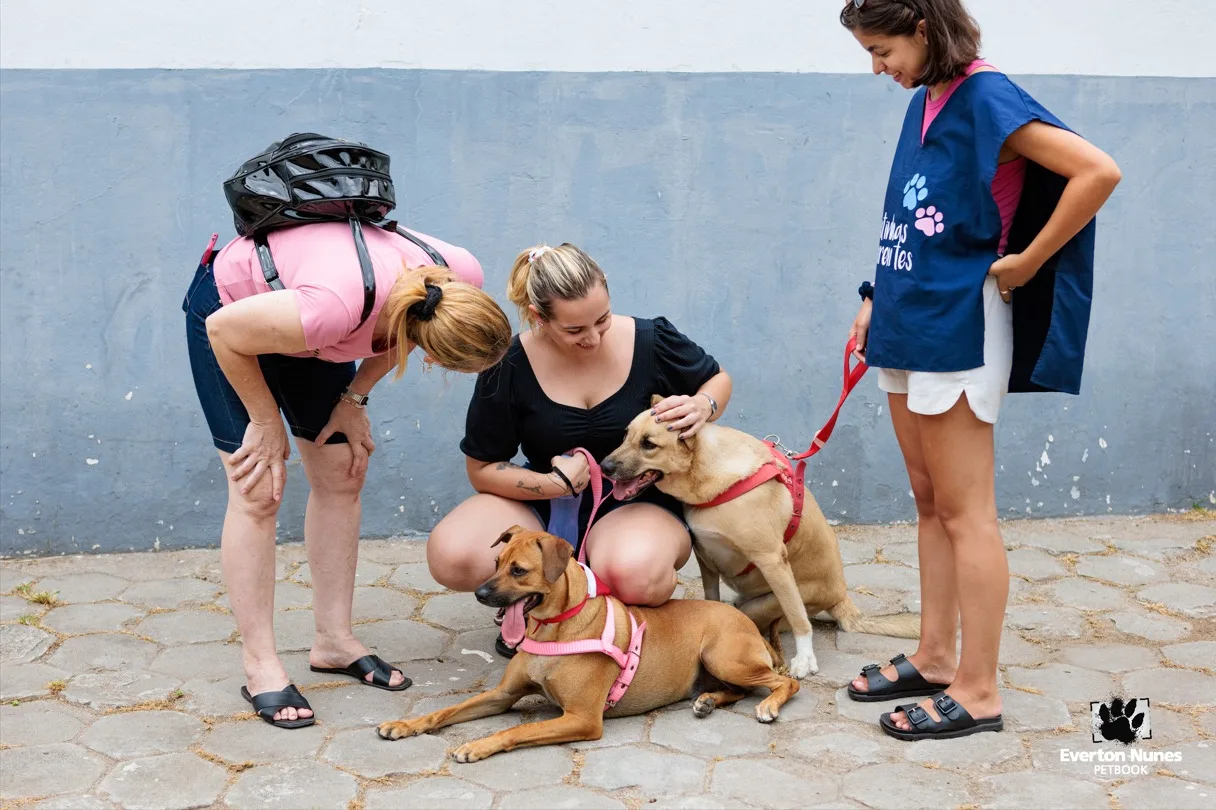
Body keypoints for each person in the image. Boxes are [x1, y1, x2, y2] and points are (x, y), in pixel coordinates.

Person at [839, 0, 1121, 740]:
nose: (877, 67)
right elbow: (910, 210)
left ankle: (980, 689)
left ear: (924, 29)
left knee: (969, 513)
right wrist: (875, 295)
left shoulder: (989, 95)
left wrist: (1029, 260)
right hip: (907, 317)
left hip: (960, 326)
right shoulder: (927, 95)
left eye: (882, 49)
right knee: (930, 501)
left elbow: (1097, 170)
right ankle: (935, 657)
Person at [184, 221, 512, 728]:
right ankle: (260, 665)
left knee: (342, 472)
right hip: (232, 315)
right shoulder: (333, 308)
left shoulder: (458, 276)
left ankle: (333, 641)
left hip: (308, 323)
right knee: (259, 488)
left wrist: (354, 398)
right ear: (429, 357)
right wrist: (265, 421)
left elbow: (395, 330)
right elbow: (225, 332)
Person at [427, 243, 732, 657]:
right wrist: (548, 484)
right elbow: (482, 468)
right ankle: (536, 602)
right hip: (547, 502)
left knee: (637, 573)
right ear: (539, 317)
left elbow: (716, 380)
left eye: (602, 320)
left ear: (605, 288)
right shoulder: (509, 362)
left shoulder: (652, 338)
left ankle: (610, 623)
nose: (593, 338)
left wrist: (703, 405)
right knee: (453, 555)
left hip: (637, 501)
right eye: (574, 330)